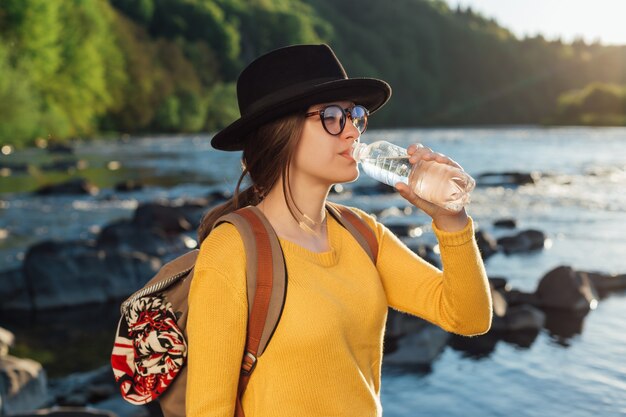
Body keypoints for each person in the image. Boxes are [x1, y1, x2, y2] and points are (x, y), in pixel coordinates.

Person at [186, 44, 492, 417]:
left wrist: (451, 220)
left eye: (355, 115)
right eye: (333, 116)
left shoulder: (363, 234)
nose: (352, 132)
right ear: (279, 132)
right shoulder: (232, 250)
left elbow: (470, 316)